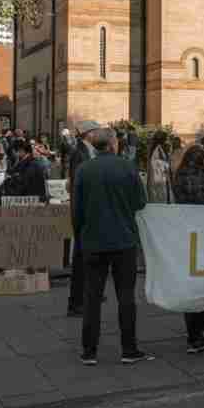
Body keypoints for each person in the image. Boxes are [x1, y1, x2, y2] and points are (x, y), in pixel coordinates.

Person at [73, 127, 151, 365]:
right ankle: (129, 349)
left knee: (92, 297)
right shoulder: (127, 167)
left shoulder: (84, 169)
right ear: (112, 144)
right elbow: (140, 202)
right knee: (126, 296)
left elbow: (77, 210)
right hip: (123, 239)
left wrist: (81, 237)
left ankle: (89, 351)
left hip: (93, 240)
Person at [173, 144, 204, 353]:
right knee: (201, 283)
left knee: (190, 284)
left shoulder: (177, 179)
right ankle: (198, 334)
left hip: (185, 236)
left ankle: (191, 334)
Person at [66, 121, 102, 317]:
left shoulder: (87, 151)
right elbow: (79, 184)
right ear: (89, 134)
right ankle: (76, 302)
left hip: (86, 210)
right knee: (80, 258)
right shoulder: (79, 153)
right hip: (82, 212)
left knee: (88, 256)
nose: (98, 134)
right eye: (96, 131)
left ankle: (87, 295)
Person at [147, 131, 172, 204]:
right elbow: (160, 165)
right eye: (166, 139)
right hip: (159, 180)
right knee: (160, 200)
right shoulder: (158, 149)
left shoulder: (154, 148)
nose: (167, 141)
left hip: (156, 179)